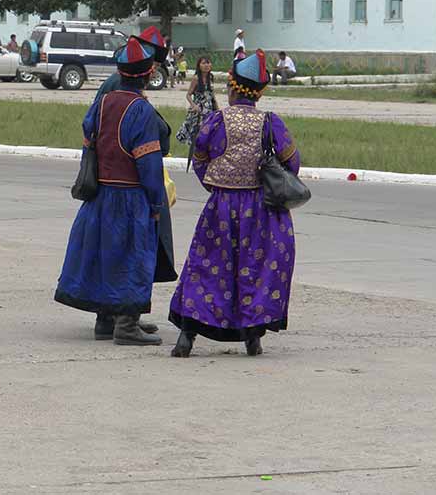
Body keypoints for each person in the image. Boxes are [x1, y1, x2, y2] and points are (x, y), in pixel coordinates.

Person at [168, 50, 300, 358]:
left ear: (231, 88)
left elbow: (200, 160)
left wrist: (217, 186)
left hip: (221, 207)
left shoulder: (216, 120)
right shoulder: (271, 123)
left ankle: (187, 337)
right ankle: (252, 338)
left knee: (206, 267)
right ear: (259, 93)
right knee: (256, 269)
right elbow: (292, 162)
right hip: (261, 211)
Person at [54, 39, 167, 345]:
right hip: (130, 198)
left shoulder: (102, 103)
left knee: (105, 255)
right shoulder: (141, 109)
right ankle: (127, 326)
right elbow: (149, 164)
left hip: (101, 196)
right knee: (134, 257)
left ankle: (104, 321)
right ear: (147, 73)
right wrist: (156, 202)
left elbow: (88, 142)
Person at [91, 25, 179, 338]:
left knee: (112, 251)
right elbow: (143, 138)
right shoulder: (127, 91)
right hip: (131, 186)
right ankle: (123, 320)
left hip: (112, 183)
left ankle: (111, 318)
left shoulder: (119, 85)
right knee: (134, 252)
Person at [175, 55, 219, 150]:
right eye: (203, 63)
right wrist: (194, 105)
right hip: (198, 110)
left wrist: (217, 107)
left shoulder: (211, 77)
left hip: (209, 109)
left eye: (208, 63)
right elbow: (188, 95)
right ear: (199, 66)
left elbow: (212, 94)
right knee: (196, 132)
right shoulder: (196, 78)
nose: (206, 65)